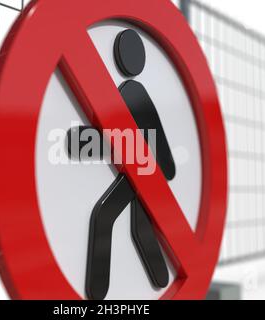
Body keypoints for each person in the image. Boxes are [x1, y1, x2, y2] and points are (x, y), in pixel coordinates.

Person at [83, 29, 176, 300]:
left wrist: (84, 143)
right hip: (142, 171)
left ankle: (104, 288)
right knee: (131, 222)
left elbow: (148, 133)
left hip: (141, 170)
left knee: (111, 218)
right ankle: (160, 277)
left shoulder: (132, 92)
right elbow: (151, 136)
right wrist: (166, 166)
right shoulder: (134, 92)